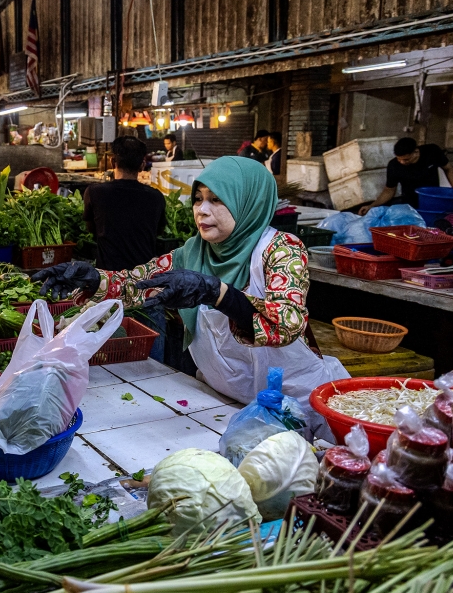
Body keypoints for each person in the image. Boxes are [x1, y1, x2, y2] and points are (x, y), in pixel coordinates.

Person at [34, 157, 348, 440]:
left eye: (216, 200)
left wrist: (218, 293)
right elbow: (136, 283)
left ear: (248, 201)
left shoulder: (281, 250)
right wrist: (93, 277)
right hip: (223, 402)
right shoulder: (191, 254)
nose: (202, 210)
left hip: (295, 407)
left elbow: (286, 322)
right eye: (198, 200)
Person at [84, 136, 168, 361]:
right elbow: (158, 233)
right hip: (146, 287)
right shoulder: (156, 198)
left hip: (108, 285)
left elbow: (92, 228)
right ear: (142, 164)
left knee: (107, 358)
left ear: (112, 161)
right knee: (151, 359)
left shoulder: (94, 193)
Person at [361, 137, 453, 215]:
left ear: (416, 152)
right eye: (399, 159)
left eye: (406, 160)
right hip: (410, 204)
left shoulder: (432, 151)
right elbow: (389, 190)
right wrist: (371, 206)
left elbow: (448, 169)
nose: (402, 162)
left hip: (432, 201)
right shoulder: (394, 165)